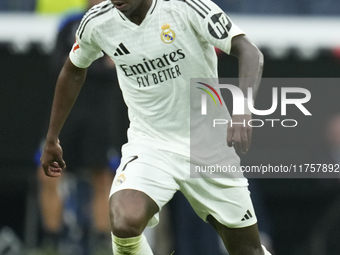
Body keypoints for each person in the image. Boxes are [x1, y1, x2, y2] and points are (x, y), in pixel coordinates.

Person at [40, 0, 270, 254]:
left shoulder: (186, 7)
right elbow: (73, 70)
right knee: (125, 220)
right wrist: (53, 138)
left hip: (209, 145)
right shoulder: (98, 22)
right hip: (150, 144)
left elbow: (249, 51)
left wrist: (243, 110)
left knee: (247, 250)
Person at [36, 0, 128, 254]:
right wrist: (96, 64)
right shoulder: (69, 23)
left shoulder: (119, 23)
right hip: (67, 114)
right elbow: (58, 65)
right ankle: (51, 243)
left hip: (101, 116)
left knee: (103, 178)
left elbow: (117, 67)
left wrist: (83, 63)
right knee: (48, 174)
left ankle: (101, 243)